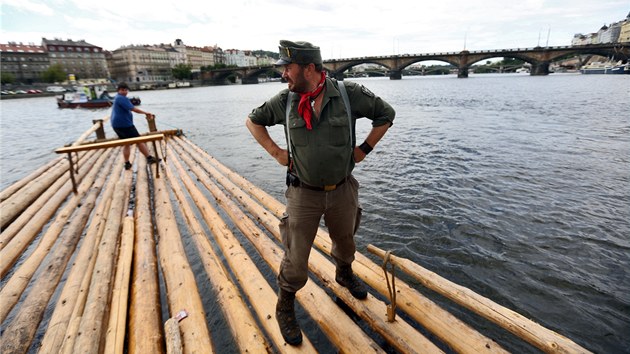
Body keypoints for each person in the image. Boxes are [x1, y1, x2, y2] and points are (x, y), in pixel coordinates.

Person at [245, 40, 395, 345]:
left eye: (288, 67)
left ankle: (344, 273)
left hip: (342, 190)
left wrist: (364, 149)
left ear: (309, 68)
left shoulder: (347, 93)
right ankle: (286, 302)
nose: (284, 74)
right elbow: (253, 121)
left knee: (346, 239)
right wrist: (276, 153)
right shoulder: (286, 101)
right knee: (296, 255)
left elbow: (386, 114)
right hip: (303, 193)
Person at [111, 82, 158, 170]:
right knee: (139, 140)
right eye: (122, 90)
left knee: (126, 144)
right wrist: (146, 113)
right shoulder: (121, 98)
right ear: (118, 90)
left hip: (117, 125)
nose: (124, 92)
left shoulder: (118, 97)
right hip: (124, 125)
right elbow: (133, 109)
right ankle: (149, 158)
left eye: (126, 90)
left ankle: (127, 163)